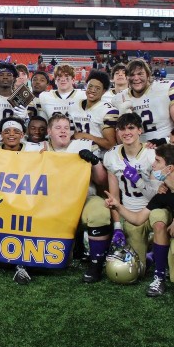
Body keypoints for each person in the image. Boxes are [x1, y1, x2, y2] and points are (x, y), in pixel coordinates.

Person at [105, 144, 174, 301]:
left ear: (170, 168)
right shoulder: (163, 192)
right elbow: (138, 219)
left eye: (157, 161)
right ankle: (159, 276)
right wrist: (117, 207)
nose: (153, 165)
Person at [43, 113, 111, 284]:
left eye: (67, 127)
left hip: (84, 198)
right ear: (49, 131)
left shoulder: (84, 145)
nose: (63, 131)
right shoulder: (39, 149)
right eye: (58, 127)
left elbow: (102, 180)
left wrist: (95, 162)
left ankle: (95, 265)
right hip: (51, 204)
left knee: (99, 212)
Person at [102, 113, 158, 279]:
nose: (127, 132)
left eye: (131, 128)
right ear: (117, 132)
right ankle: (148, 254)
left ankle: (159, 252)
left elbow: (156, 195)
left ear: (140, 130)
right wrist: (117, 226)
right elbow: (114, 196)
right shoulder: (111, 156)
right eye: (122, 129)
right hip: (130, 214)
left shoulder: (152, 154)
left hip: (152, 210)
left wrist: (139, 181)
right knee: (137, 270)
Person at [111, 59, 174, 143]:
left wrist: (164, 141)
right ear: (127, 77)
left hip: (167, 147)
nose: (136, 78)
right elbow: (120, 142)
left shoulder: (165, 89)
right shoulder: (120, 98)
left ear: (148, 75)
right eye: (132, 75)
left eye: (140, 74)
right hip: (138, 150)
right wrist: (122, 114)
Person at [69, 69, 118, 156]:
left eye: (97, 88)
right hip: (76, 154)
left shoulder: (108, 111)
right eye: (90, 86)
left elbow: (111, 144)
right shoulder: (73, 106)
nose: (92, 90)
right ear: (86, 86)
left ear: (104, 91)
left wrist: (86, 136)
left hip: (99, 157)